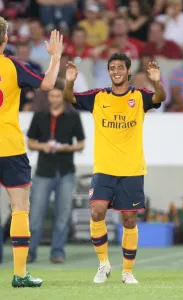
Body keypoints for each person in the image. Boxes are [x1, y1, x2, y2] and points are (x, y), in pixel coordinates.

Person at [63, 52, 166, 284]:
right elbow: (69, 98)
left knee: (129, 220)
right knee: (97, 211)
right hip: (104, 169)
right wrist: (69, 80)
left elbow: (160, 97)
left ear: (128, 71)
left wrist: (156, 80)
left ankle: (127, 272)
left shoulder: (140, 97)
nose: (116, 71)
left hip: (132, 169)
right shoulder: (98, 97)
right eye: (112, 67)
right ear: (108, 72)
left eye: (120, 67)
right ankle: (103, 264)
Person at [0, 16, 63, 288]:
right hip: (9, 146)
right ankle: (20, 273)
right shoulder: (12, 66)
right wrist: (55, 56)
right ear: (5, 39)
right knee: (20, 208)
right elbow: (48, 84)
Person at [26, 80, 85, 264]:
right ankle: (30, 252)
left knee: (63, 214)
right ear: (48, 97)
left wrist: (67, 148)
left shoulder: (73, 116)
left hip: (66, 171)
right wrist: (43, 146)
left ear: (63, 97)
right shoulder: (39, 116)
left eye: (58, 96)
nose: (54, 99)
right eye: (52, 95)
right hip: (43, 172)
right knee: (35, 214)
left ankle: (57, 252)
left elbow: (81, 143)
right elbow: (30, 142)